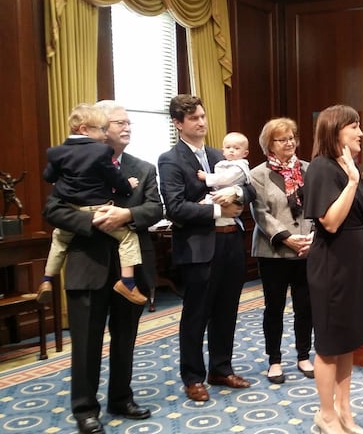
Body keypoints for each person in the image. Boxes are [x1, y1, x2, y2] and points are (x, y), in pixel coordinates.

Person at [43, 100, 163, 434]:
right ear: (98, 128)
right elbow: (52, 210)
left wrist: (127, 214)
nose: (126, 127)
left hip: (131, 269)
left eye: (129, 122)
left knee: (125, 339)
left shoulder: (143, 167)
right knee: (86, 343)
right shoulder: (73, 163)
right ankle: (85, 409)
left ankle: (121, 399)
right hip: (87, 265)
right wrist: (90, 220)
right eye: (119, 122)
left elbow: (155, 208)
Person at [157, 94, 256, 402]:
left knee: (227, 310)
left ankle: (221, 369)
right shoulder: (170, 159)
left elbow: (251, 188)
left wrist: (237, 194)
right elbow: (174, 208)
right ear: (178, 123)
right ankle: (193, 377)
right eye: (193, 118)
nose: (201, 122)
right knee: (196, 314)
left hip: (231, 242)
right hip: (198, 248)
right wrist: (217, 210)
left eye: (202, 116)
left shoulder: (220, 154)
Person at [303, 105, 363, 434]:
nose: (361, 132)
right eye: (354, 126)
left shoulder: (346, 166)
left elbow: (359, 222)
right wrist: (353, 182)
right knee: (330, 343)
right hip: (331, 265)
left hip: (353, 261)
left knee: (348, 338)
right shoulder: (322, 167)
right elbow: (330, 222)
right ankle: (326, 413)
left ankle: (345, 410)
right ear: (335, 131)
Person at [37, 104, 145, 306]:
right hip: (97, 216)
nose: (105, 134)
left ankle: (47, 280)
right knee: (128, 237)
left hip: (71, 205)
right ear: (84, 129)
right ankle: (128, 283)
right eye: (103, 129)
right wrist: (128, 186)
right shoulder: (101, 152)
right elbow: (115, 179)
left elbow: (48, 176)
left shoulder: (57, 152)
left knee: (58, 240)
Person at [250, 117, 314, 384]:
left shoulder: (309, 170)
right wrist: (287, 238)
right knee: (274, 308)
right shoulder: (257, 174)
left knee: (305, 307)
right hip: (273, 251)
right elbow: (260, 213)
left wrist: (312, 237)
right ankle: (274, 361)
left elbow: (318, 206)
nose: (289, 143)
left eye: (292, 138)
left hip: (306, 250)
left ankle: (303, 356)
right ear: (269, 144)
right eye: (282, 139)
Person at [197, 131, 252, 199]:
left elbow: (225, 178)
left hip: (231, 195)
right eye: (228, 147)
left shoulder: (240, 166)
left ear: (245, 153)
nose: (231, 150)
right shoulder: (222, 162)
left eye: (236, 148)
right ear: (223, 151)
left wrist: (207, 176)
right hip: (219, 191)